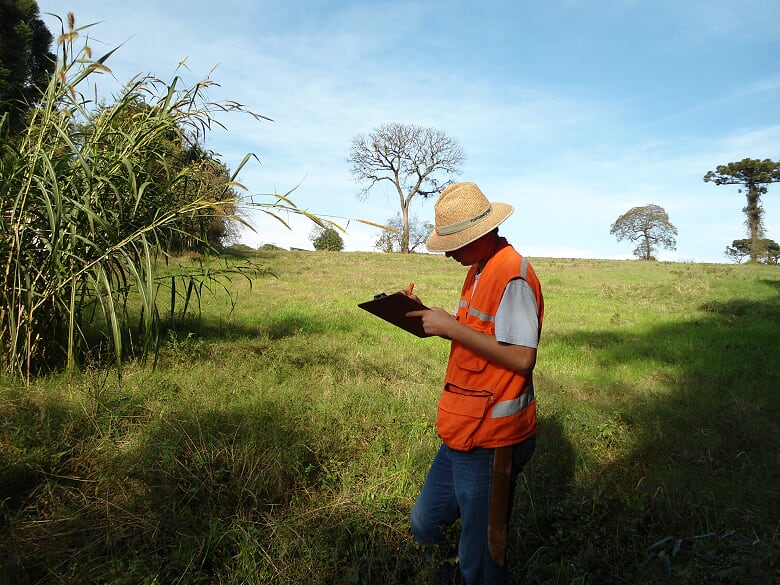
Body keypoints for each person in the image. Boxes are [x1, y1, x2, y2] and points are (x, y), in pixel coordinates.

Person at [405, 182, 544, 584]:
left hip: (493, 439)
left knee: (482, 555)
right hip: (463, 430)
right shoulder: (480, 268)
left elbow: (522, 358)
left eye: (456, 243)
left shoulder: (512, 276)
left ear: (483, 234)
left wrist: (451, 329)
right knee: (424, 522)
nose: (449, 252)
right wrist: (426, 316)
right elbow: (482, 332)